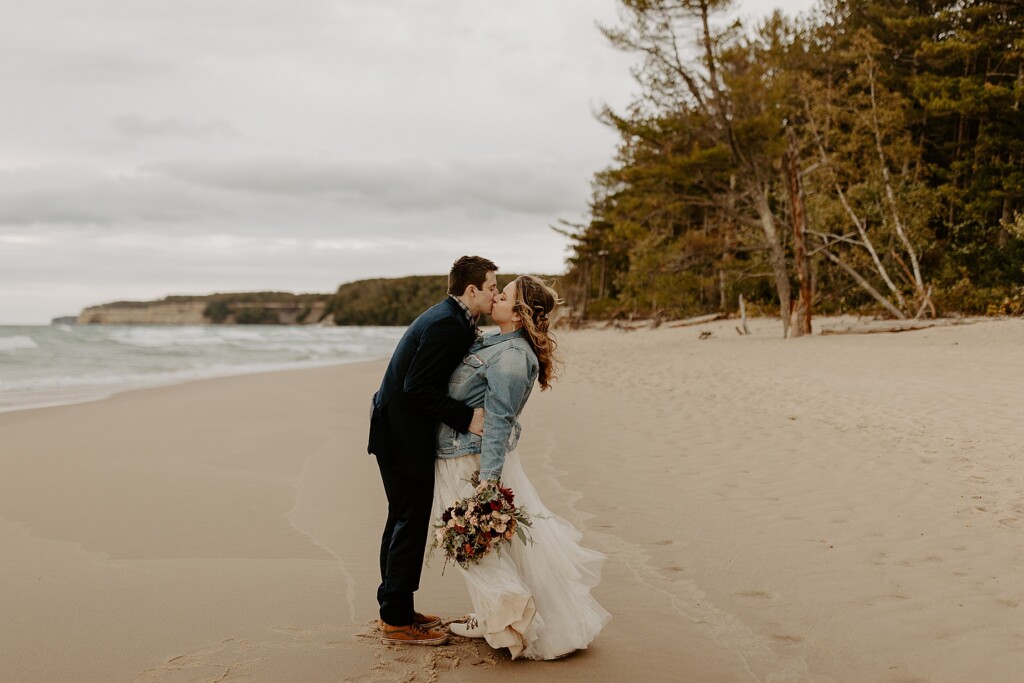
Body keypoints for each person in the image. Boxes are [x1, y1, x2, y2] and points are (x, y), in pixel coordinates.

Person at [434, 275, 611, 660]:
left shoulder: (513, 357)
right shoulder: (496, 341)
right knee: (485, 544)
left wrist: (487, 483)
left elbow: (497, 422)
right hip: (462, 453)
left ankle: (511, 616)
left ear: (519, 313)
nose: (495, 296)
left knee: (471, 541)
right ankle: (493, 612)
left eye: (504, 294)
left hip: (471, 460)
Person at [368, 255, 498, 646]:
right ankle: (395, 619)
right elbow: (417, 387)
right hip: (402, 435)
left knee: (402, 520)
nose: (495, 293)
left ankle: (397, 608)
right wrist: (466, 417)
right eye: (492, 287)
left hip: (394, 429)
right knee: (409, 522)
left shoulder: (452, 317)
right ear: (471, 289)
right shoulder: (447, 324)